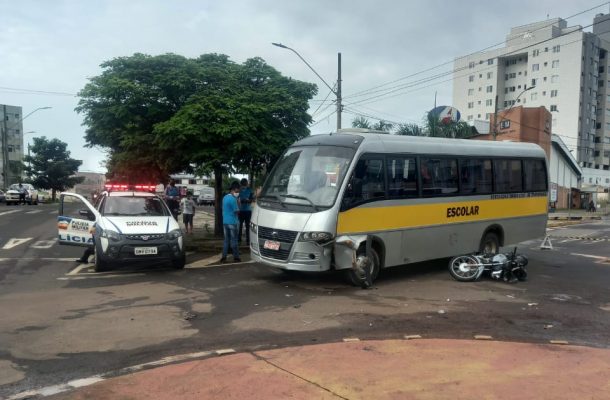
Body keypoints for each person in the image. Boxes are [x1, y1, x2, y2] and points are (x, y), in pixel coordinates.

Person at [220, 181, 241, 263]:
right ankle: (236, 257)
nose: (238, 192)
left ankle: (223, 257)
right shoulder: (233, 199)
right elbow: (237, 212)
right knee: (234, 240)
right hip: (233, 222)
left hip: (225, 222)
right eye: (238, 190)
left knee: (226, 240)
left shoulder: (224, 197)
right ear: (235, 189)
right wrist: (239, 203)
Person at [238, 178, 254, 245]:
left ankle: (248, 240)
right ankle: (239, 239)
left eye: (245, 185)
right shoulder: (239, 191)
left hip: (248, 210)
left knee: (248, 226)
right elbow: (237, 200)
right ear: (241, 185)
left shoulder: (250, 190)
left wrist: (247, 200)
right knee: (240, 226)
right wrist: (245, 200)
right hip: (241, 210)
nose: (244, 186)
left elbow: (251, 200)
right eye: (243, 185)